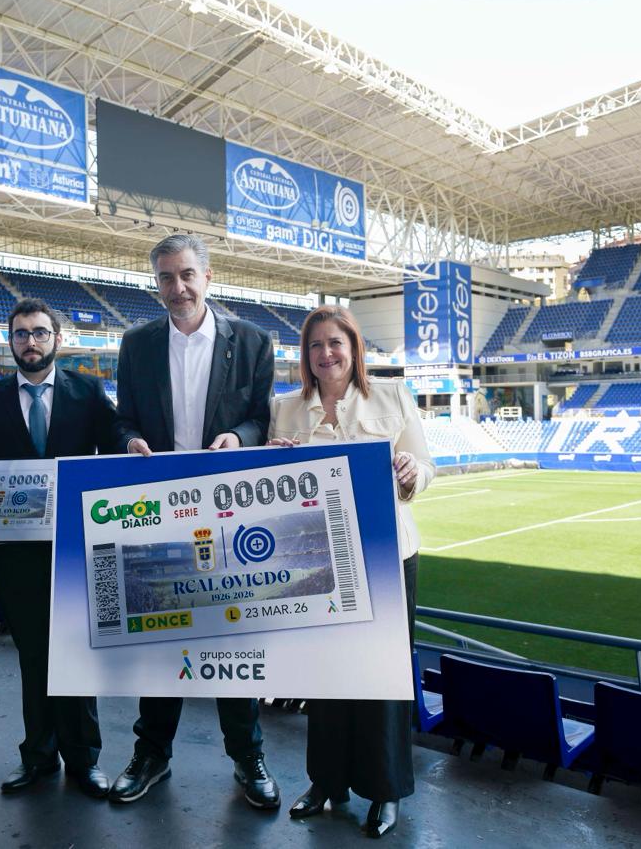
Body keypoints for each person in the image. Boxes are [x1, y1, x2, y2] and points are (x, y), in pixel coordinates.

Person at [109, 233, 279, 809]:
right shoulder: (136, 345)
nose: (176, 288)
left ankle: (247, 756)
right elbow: (123, 417)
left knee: (231, 636)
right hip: (158, 513)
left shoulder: (253, 342)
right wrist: (129, 438)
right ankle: (151, 753)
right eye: (165, 278)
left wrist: (240, 437)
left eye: (186, 275)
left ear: (207, 277)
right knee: (163, 640)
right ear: (155, 282)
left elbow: (261, 419)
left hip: (227, 513)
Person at [267, 304, 433, 839]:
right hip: (320, 560)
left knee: (384, 679)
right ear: (305, 355)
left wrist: (412, 472)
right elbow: (274, 490)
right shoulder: (285, 409)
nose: (325, 354)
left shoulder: (391, 395)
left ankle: (385, 792)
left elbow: (426, 469)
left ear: (354, 347)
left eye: (335, 343)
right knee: (326, 675)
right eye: (315, 345)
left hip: (386, 556)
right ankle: (326, 783)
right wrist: (271, 463)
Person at [0, 299, 117, 799]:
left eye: (40, 333)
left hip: (75, 549)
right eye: (22, 334)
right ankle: (39, 756)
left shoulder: (88, 391)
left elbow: (114, 453)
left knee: (75, 655)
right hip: (17, 554)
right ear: (10, 342)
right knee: (32, 657)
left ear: (57, 341)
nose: (31, 342)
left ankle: (85, 760)